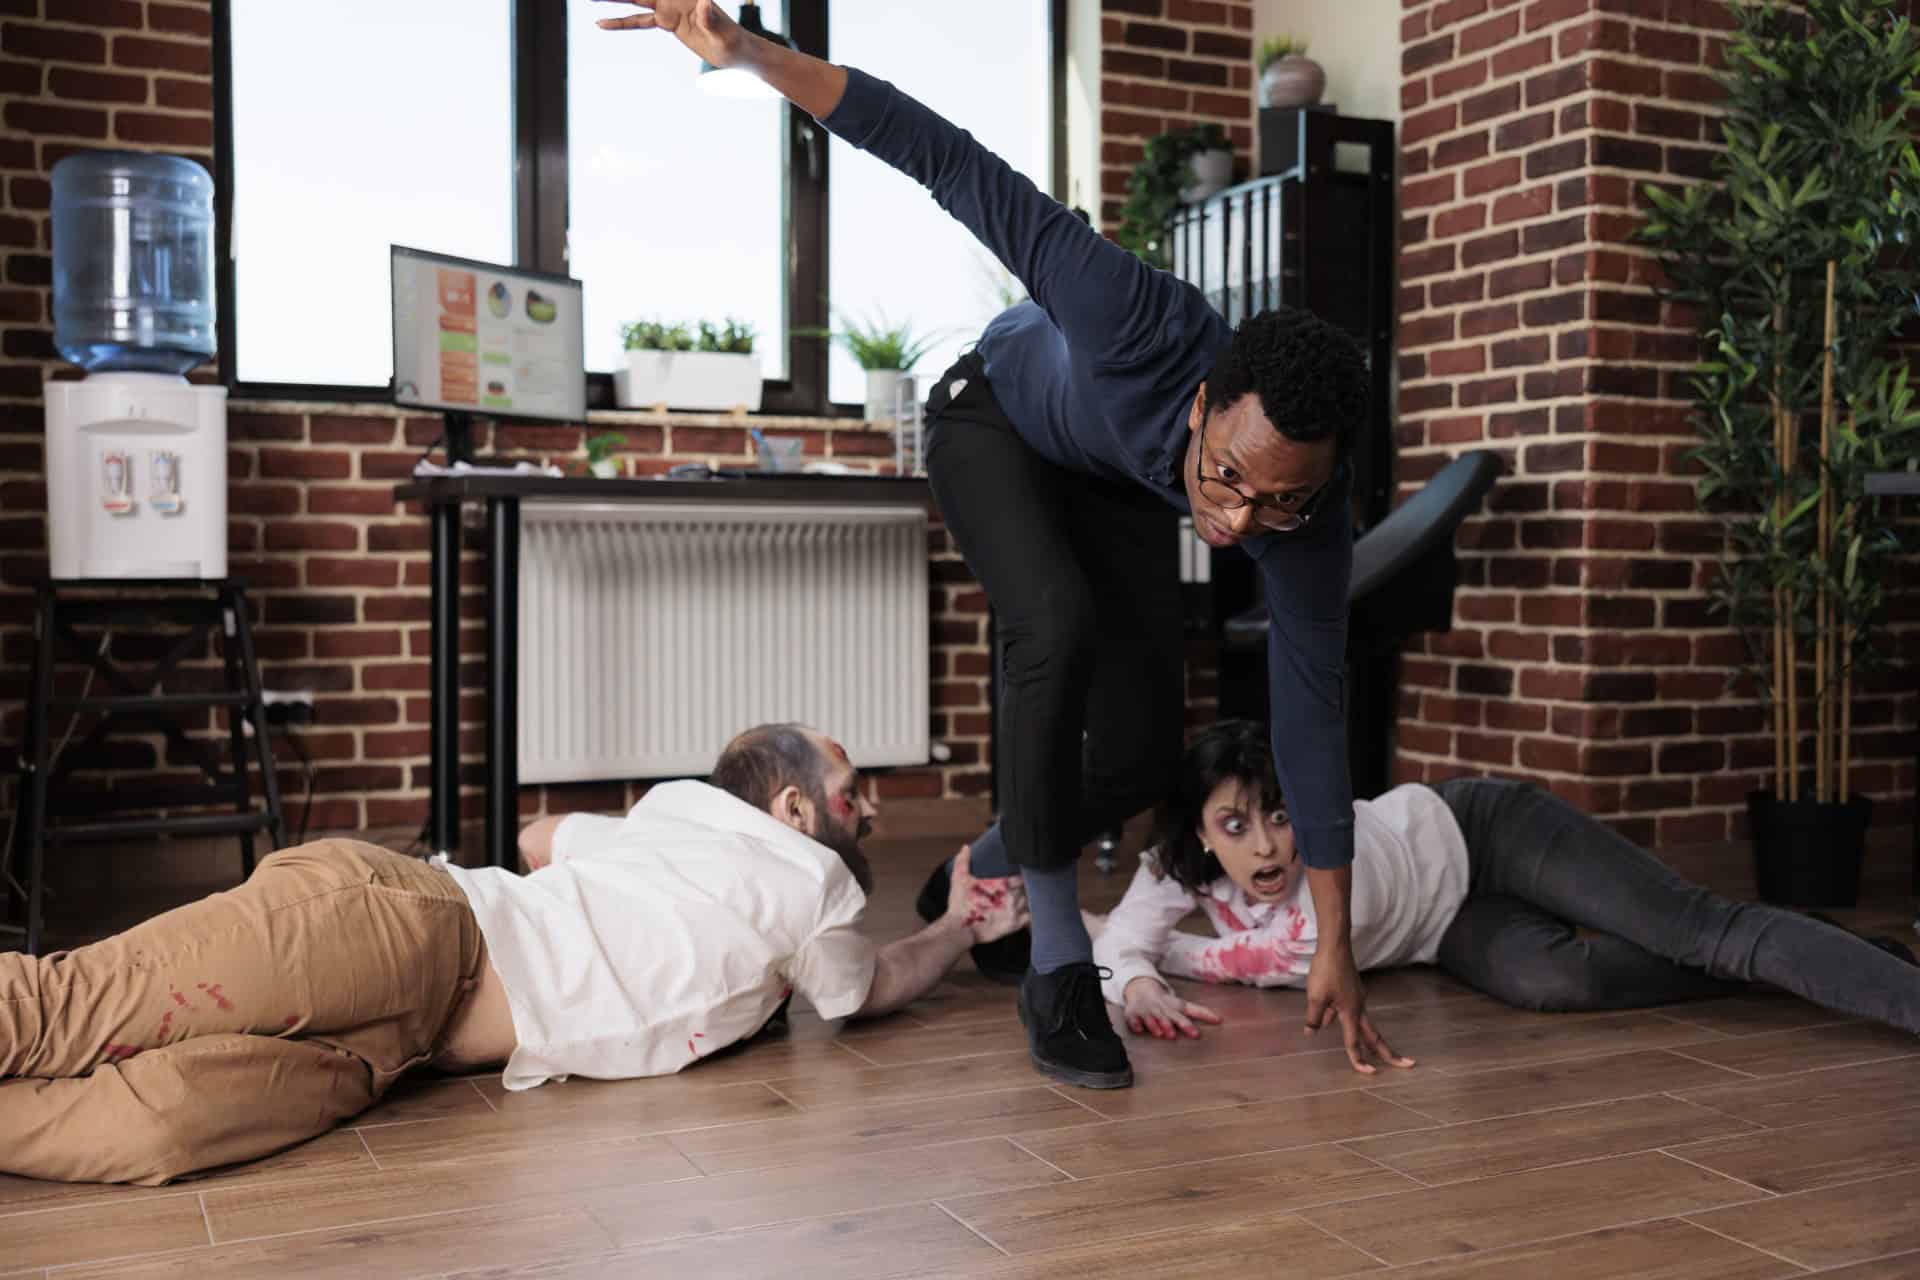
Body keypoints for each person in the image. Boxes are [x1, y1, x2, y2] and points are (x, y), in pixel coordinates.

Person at [597, 0, 1404, 1090]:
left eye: (1278, 504)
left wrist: (1338, 942)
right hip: (992, 419)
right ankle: (1056, 966)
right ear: (1209, 399)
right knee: (1054, 626)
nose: (1238, 522)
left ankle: (985, 865)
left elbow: (1315, 725)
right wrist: (752, 53)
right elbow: (944, 155)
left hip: (1107, 475)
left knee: (1137, 751)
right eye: (1229, 478)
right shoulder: (1127, 313)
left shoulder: (1304, 517)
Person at [0, 723, 1027, 1185]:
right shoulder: (810, 879)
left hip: (402, 1050)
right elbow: (864, 988)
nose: (873, 810)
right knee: (66, 1007)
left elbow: (541, 839)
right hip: (404, 921)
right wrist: (955, 927)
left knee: (155, 1129)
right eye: (855, 793)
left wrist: (627, 857)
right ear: (795, 809)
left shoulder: (667, 825)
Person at [1095, 720, 1920, 1043]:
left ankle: (1849, 972)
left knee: (1697, 928)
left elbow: (1272, 960)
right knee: (1559, 980)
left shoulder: (1325, 865)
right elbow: (1135, 932)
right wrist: (1134, 975)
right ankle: (1809, 962)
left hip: (1484, 834)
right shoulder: (1179, 865)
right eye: (1235, 827)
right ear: (1199, 834)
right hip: (1445, 927)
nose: (1267, 845)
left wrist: (1143, 956)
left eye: (1279, 815)